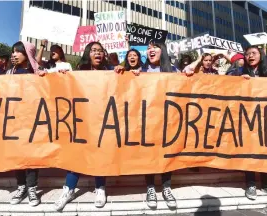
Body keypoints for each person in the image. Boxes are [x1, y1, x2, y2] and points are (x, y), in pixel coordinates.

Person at [115, 41, 178, 208]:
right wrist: (124, 73)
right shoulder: (141, 71)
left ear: (162, 51)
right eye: (149, 48)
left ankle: (166, 187)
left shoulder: (173, 70)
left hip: (167, 121)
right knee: (148, 154)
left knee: (166, 155)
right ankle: (150, 187)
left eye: (155, 47)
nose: (151, 50)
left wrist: (189, 72)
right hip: (147, 121)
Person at [53, 42, 109, 211]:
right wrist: (63, 75)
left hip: (102, 122)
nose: (97, 53)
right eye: (94, 50)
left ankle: (100, 188)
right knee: (77, 155)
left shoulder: (111, 72)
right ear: (88, 54)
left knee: (99, 155)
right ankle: (68, 190)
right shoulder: (78, 72)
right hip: (82, 122)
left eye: (100, 51)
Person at [0, 41, 40, 206]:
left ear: (27, 54)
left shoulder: (36, 73)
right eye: (13, 52)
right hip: (13, 121)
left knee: (31, 156)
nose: (14, 54)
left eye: (18, 51)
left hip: (31, 121)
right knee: (17, 154)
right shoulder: (8, 73)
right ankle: (21, 186)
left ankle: (32, 188)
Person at [238, 46, 267, 201]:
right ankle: (250, 183)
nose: (250, 56)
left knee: (266, 152)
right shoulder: (239, 73)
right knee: (249, 152)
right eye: (247, 54)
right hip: (247, 120)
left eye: (254, 53)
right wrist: (239, 81)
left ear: (261, 56)